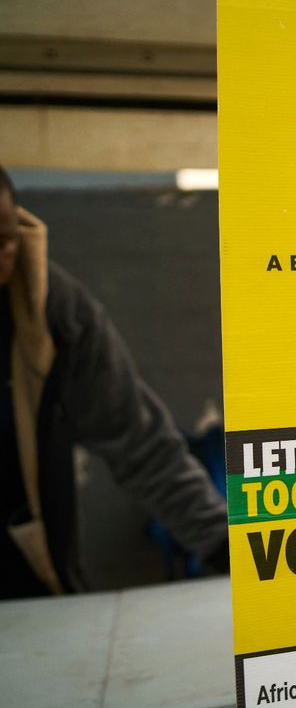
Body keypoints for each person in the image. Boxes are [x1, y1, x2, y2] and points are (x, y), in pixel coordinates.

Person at [0, 164, 229, 598]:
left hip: (30, 579)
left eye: (3, 241)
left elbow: (136, 438)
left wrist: (221, 544)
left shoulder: (51, 307)